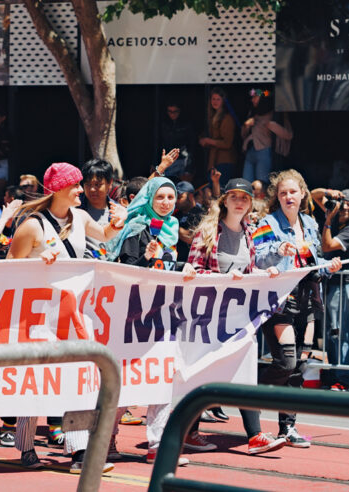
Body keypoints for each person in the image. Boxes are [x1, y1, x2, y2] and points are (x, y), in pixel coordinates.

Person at [7, 162, 127, 474]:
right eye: (76, 186)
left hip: (74, 313)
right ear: (59, 188)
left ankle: (79, 451)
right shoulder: (33, 226)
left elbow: (103, 236)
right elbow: (7, 269)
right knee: (37, 380)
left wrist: (118, 222)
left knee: (79, 380)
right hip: (38, 318)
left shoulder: (80, 217)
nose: (82, 191)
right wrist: (38, 267)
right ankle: (26, 443)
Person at [183, 178, 287, 455]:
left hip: (239, 319)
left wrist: (267, 275)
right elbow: (191, 273)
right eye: (234, 197)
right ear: (224, 201)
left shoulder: (249, 233)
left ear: (250, 204)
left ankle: (255, 435)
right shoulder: (208, 232)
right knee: (205, 373)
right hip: (207, 318)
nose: (240, 202)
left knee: (245, 370)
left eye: (245, 198)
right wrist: (223, 278)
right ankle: (189, 431)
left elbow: (250, 272)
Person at [254, 170, 342, 447]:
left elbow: (314, 265)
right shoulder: (268, 222)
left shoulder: (310, 223)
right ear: (276, 197)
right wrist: (279, 249)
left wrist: (329, 267)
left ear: (302, 193)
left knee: (298, 368)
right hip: (279, 299)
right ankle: (243, 394)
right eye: (282, 193)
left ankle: (287, 428)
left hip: (308, 299)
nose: (288, 197)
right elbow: (258, 256)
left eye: (292, 192)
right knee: (286, 361)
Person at [109, 177, 191, 465]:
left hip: (165, 315)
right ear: (149, 198)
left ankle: (157, 445)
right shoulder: (135, 228)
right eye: (161, 197)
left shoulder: (170, 230)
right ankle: (106, 439)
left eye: (171, 197)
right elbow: (125, 270)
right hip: (135, 318)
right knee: (131, 383)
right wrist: (145, 258)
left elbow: (168, 265)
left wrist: (183, 267)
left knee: (162, 381)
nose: (167, 202)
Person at [319, 189, 349, 389]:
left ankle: (342, 378)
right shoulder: (337, 219)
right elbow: (313, 194)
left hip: (343, 285)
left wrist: (328, 220)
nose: (345, 207)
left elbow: (327, 246)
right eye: (343, 203)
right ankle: (335, 373)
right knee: (333, 331)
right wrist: (329, 194)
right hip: (332, 283)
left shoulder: (346, 229)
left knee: (340, 331)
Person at [242, 89, 292, 184]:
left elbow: (288, 135)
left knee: (261, 185)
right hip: (249, 152)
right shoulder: (252, 113)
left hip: (264, 152)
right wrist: (245, 126)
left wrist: (273, 126)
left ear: (263, 98)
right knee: (246, 184)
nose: (252, 100)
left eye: (255, 97)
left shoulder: (275, 114)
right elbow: (243, 135)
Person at [200, 87, 236, 187]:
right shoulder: (211, 116)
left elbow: (227, 143)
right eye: (213, 99)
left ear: (223, 101)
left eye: (218, 99)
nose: (215, 102)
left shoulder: (227, 118)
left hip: (224, 161)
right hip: (213, 161)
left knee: (220, 190)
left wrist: (208, 141)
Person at [159, 101, 197, 180]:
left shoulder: (187, 124)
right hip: (168, 160)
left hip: (183, 159)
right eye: (170, 111)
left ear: (180, 111)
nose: (172, 114)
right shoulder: (164, 124)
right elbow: (160, 144)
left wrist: (189, 168)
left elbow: (192, 145)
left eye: (175, 111)